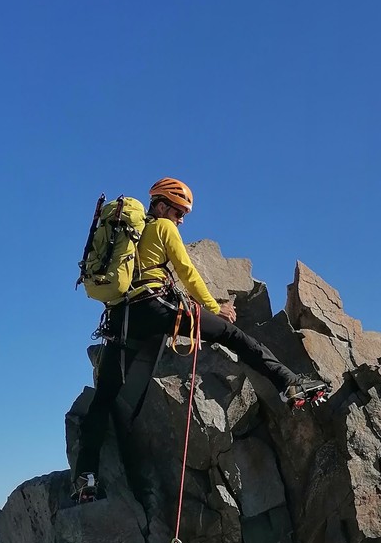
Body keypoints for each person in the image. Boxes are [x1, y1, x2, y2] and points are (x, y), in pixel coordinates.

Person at [71, 178, 325, 501]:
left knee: (103, 398)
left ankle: (85, 477)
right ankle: (289, 382)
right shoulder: (163, 230)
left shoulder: (130, 236)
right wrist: (215, 308)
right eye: (179, 212)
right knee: (232, 335)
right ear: (162, 206)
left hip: (120, 320)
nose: (181, 220)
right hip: (155, 308)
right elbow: (188, 272)